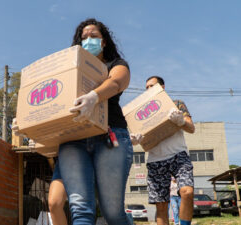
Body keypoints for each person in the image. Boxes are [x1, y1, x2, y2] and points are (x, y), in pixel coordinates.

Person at [57, 18, 133, 225]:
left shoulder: (115, 65)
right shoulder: (68, 69)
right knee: (80, 209)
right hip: (73, 138)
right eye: (84, 38)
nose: (88, 40)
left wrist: (94, 97)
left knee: (112, 213)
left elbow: (117, 82)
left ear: (104, 41)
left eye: (94, 36)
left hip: (110, 137)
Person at [130, 76, 195, 225]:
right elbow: (138, 138)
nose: (148, 89)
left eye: (151, 86)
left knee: (187, 192)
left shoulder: (176, 104)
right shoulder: (140, 112)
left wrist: (181, 121)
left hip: (178, 156)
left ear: (162, 87)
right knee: (161, 206)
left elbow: (191, 128)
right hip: (155, 161)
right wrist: (134, 141)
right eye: (146, 87)